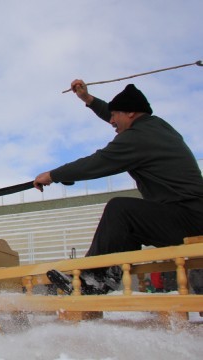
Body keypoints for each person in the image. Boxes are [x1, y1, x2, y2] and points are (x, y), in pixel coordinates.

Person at [35, 80, 203, 295]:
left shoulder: (137, 139)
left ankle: (91, 278)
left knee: (121, 210)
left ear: (131, 113)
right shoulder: (157, 126)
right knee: (130, 220)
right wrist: (88, 99)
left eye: (115, 115)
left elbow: (97, 162)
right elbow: (114, 114)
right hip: (190, 214)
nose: (111, 120)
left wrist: (52, 175)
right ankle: (108, 278)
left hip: (189, 218)